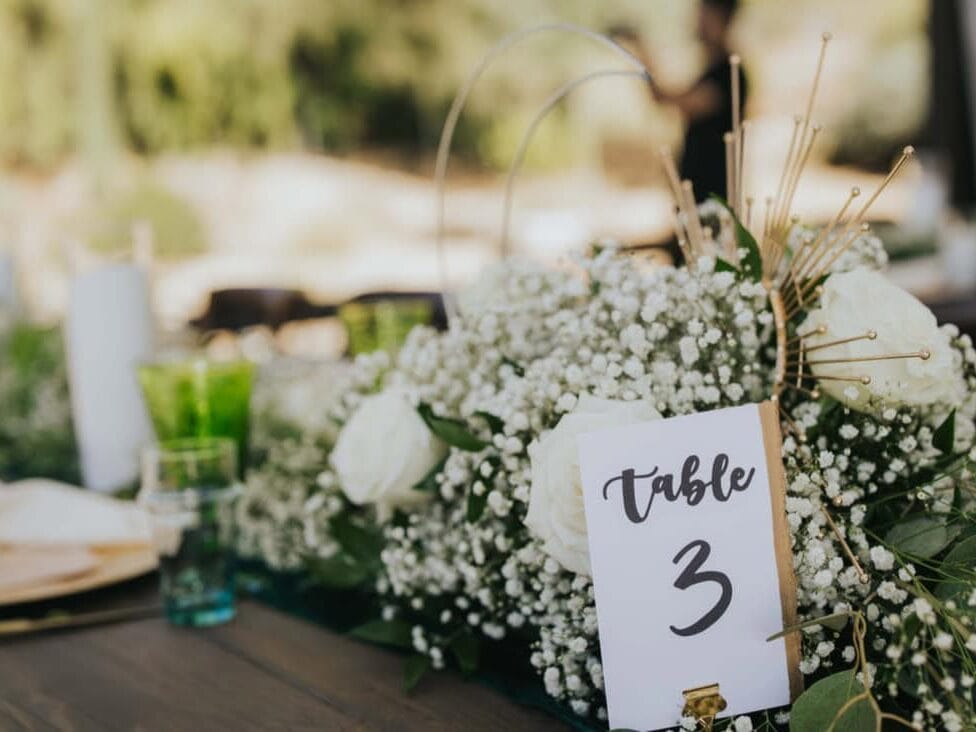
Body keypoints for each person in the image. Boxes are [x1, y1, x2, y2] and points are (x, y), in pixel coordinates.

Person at [612, 0, 746, 202]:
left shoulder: (730, 74)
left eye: (704, 16)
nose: (697, 23)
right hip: (695, 196)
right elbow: (663, 99)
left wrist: (644, 54)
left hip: (713, 199)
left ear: (722, 19)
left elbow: (677, 101)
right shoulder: (710, 72)